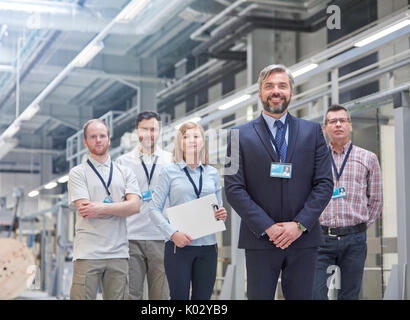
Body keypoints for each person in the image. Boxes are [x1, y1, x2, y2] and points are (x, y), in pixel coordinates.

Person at [224, 64, 333, 300]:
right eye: (269, 86)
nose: (276, 91)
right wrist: (268, 227)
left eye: (282, 86)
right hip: (260, 239)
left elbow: (325, 183)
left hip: (303, 239)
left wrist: (299, 224)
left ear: (291, 92)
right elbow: (233, 188)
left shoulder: (313, 132)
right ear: (260, 93)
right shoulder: (236, 135)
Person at [149, 122, 228, 300]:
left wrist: (221, 213)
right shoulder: (168, 172)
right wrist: (172, 233)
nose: (191, 140)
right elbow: (153, 209)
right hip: (179, 247)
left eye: (196, 136)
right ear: (180, 143)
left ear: (203, 142)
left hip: (208, 247)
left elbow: (218, 206)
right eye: (186, 137)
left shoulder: (213, 173)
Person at [313, 104, 383, 300]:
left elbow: (376, 200)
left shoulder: (368, 158)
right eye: (332, 121)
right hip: (320, 237)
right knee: (314, 293)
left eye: (342, 120)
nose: (338, 124)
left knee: (350, 295)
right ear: (325, 128)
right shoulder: (314, 159)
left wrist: (359, 226)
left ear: (350, 126)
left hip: (354, 240)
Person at [68, 119, 141, 300]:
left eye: (102, 136)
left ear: (109, 139)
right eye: (93, 137)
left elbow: (135, 206)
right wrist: (120, 207)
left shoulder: (125, 173)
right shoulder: (78, 173)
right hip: (87, 253)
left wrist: (99, 207)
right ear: (85, 142)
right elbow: (85, 209)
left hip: (119, 253)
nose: (98, 140)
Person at [116, 111, 171, 300]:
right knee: (131, 294)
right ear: (136, 132)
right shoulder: (123, 163)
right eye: (144, 129)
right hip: (131, 237)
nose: (149, 134)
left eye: (153, 129)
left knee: (161, 296)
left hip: (162, 238)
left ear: (160, 131)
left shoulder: (171, 161)